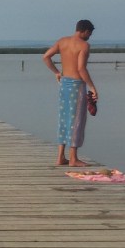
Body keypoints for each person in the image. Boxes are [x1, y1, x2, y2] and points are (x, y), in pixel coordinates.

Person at [42, 20, 99, 167]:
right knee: (77, 121)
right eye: (90, 33)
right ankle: (73, 158)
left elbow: (46, 57)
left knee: (64, 119)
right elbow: (81, 69)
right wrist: (92, 87)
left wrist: (56, 72)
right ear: (84, 31)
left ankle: (60, 157)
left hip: (64, 84)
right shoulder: (84, 46)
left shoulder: (62, 41)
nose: (90, 36)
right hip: (77, 86)